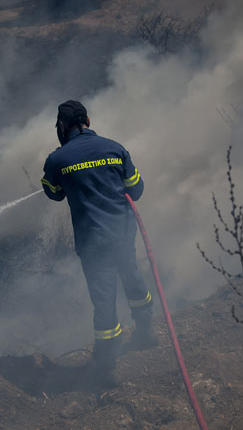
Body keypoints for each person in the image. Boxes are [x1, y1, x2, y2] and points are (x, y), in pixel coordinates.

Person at [40, 100, 157, 385]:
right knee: (133, 279)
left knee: (104, 299)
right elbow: (137, 189)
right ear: (88, 121)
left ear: (62, 126)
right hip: (122, 234)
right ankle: (145, 333)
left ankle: (106, 361)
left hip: (93, 242)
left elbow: (54, 193)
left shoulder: (58, 160)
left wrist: (61, 177)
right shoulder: (116, 149)